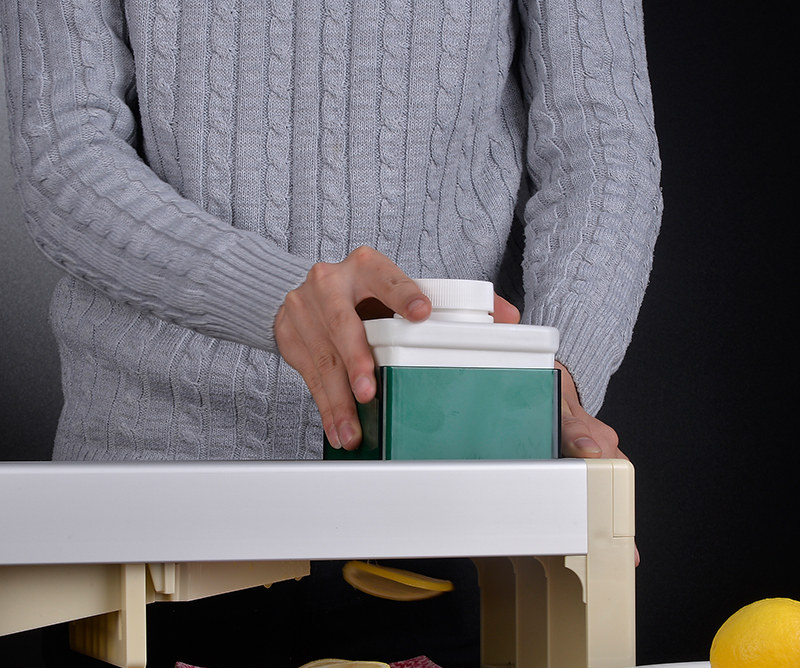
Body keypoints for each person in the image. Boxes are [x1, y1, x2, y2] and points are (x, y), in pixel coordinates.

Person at [1, 0, 661, 467]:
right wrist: (272, 294)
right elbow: (64, 153)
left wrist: (548, 379)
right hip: (148, 481)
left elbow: (602, 151)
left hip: (451, 454)